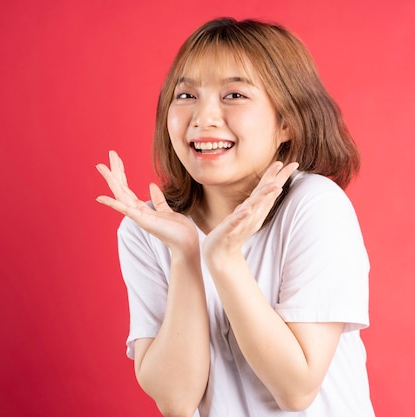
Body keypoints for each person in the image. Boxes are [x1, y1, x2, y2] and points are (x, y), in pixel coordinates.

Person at [96, 17, 375, 417]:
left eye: (234, 95)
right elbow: (176, 400)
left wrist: (223, 258)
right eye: (186, 95)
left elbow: (296, 389)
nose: (203, 118)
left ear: (286, 122)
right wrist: (186, 255)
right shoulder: (147, 229)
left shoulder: (314, 206)